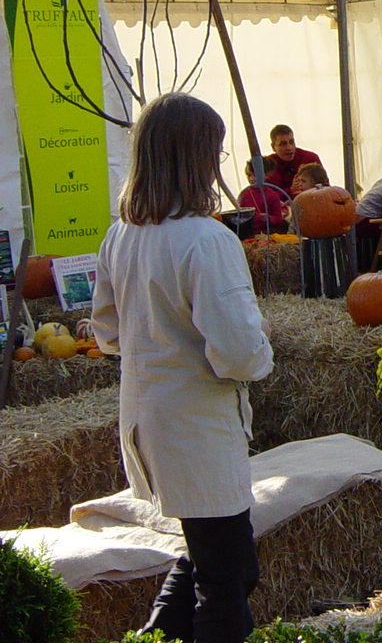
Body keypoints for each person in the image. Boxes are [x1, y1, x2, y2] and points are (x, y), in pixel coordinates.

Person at [91, 92, 273, 643]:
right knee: (227, 578)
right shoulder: (207, 239)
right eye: (214, 151)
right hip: (196, 426)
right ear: (193, 156)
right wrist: (260, 341)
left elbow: (108, 335)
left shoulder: (120, 234)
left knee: (209, 562)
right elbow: (238, 353)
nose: (219, 162)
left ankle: (152, 638)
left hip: (150, 420)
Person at [265, 125, 323, 199]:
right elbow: (264, 198)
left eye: (291, 142)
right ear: (273, 147)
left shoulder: (310, 158)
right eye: (283, 144)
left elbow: (325, 187)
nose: (289, 148)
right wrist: (290, 190)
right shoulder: (267, 166)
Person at [237, 159, 291, 235]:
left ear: (266, 175)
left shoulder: (272, 195)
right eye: (249, 175)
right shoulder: (244, 194)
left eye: (255, 175)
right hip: (247, 233)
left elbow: (278, 220)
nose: (251, 179)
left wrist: (267, 218)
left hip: (266, 234)